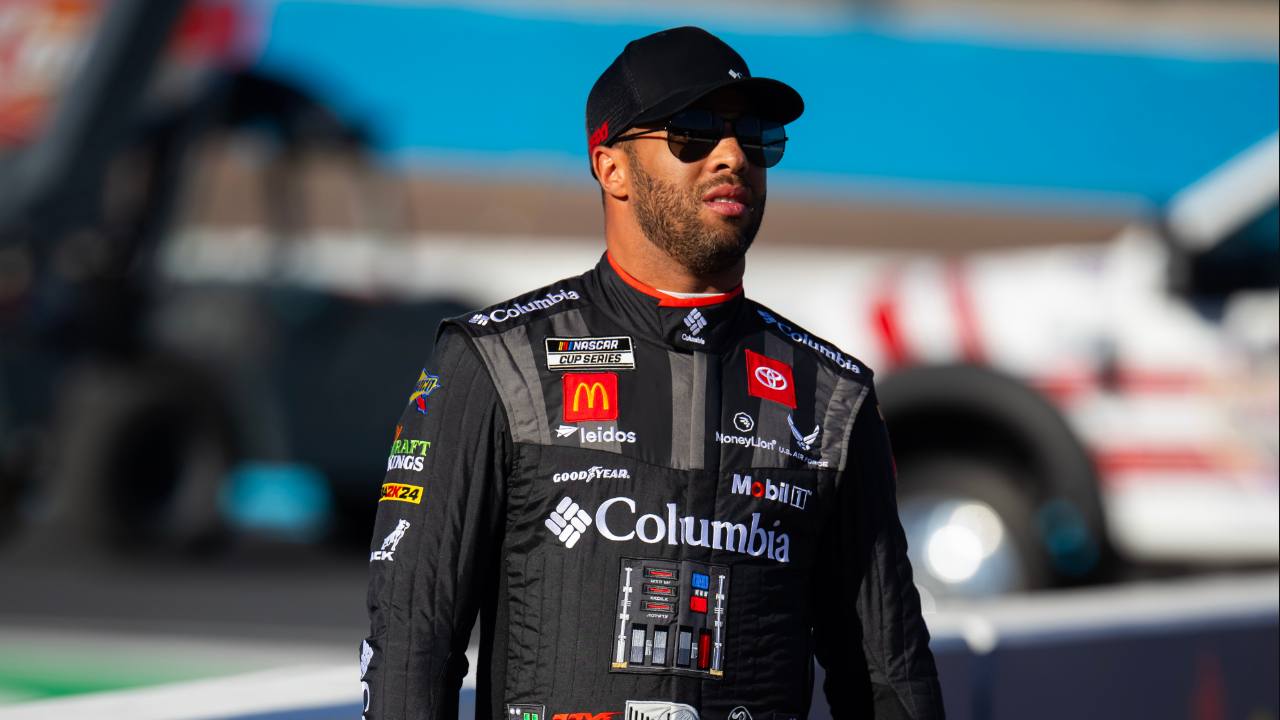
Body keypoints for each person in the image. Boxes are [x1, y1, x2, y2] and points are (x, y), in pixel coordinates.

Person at [361, 26, 945, 720]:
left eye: (754, 136)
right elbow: (412, 645)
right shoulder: (497, 360)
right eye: (693, 132)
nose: (732, 155)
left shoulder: (832, 397)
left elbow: (888, 675)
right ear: (611, 168)